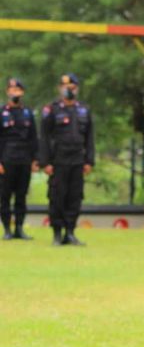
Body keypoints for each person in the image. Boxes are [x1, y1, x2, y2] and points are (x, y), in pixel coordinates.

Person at [38, 73, 94, 246]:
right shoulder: (51, 110)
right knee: (57, 196)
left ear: (76, 88)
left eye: (71, 87)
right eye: (64, 86)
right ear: (59, 89)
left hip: (77, 160)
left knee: (74, 197)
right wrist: (45, 162)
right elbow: (44, 137)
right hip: (58, 161)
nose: (68, 90)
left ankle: (70, 232)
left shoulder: (84, 110)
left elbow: (89, 138)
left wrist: (89, 161)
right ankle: (57, 233)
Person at [0, 78, 38, 240]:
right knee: (5, 196)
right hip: (6, 159)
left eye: (17, 90)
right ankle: (7, 229)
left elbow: (33, 138)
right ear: (7, 92)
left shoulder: (28, 113)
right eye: (11, 89)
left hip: (24, 160)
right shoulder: (2, 113)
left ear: (22, 92)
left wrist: (35, 159)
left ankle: (20, 229)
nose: (14, 92)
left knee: (21, 196)